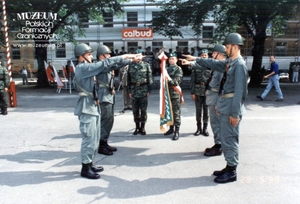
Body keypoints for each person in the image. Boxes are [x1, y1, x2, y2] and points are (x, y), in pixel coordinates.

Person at [180, 33, 248, 184]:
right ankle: (229, 165)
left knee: (230, 139)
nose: (226, 49)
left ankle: (232, 171)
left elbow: (240, 92)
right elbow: (214, 63)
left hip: (232, 108)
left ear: (235, 47)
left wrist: (234, 114)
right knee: (225, 137)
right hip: (226, 105)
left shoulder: (239, 65)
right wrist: (196, 59)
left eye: (228, 47)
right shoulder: (231, 62)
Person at [73, 43, 141, 179]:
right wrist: (125, 55)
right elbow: (105, 64)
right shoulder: (82, 68)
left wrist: (130, 60)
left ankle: (90, 163)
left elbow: (109, 65)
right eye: (88, 54)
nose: (91, 57)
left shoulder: (88, 68)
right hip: (87, 107)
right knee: (89, 138)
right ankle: (85, 167)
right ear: (81, 56)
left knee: (95, 136)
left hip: (92, 105)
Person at [96, 45, 130, 156]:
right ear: (102, 55)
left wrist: (131, 60)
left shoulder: (107, 65)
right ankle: (101, 145)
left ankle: (104, 142)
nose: (110, 56)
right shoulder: (101, 66)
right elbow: (113, 64)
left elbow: (117, 64)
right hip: (104, 96)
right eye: (108, 54)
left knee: (109, 120)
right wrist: (129, 59)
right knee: (105, 120)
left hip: (109, 95)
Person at [204, 44, 226, 157]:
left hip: (216, 98)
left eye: (214, 53)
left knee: (216, 122)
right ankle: (218, 143)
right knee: (215, 122)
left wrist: (219, 102)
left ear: (220, 54)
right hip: (213, 95)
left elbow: (223, 86)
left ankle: (219, 146)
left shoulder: (222, 68)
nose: (212, 55)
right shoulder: (218, 66)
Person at [127, 55, 153, 135]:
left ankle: (142, 128)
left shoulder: (146, 65)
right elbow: (128, 80)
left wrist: (149, 90)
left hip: (143, 89)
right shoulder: (130, 66)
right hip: (134, 90)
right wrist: (129, 91)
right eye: (136, 56)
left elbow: (150, 78)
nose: (137, 58)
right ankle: (137, 127)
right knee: (135, 110)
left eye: (139, 56)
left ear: (142, 57)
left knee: (143, 110)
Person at [190, 49, 211, 137]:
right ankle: (198, 128)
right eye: (202, 55)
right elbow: (192, 80)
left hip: (207, 92)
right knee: (198, 111)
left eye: (205, 55)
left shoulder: (211, 67)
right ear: (200, 57)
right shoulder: (195, 66)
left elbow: (213, 80)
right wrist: (193, 92)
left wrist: (210, 90)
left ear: (208, 57)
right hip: (198, 91)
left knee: (206, 111)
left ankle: (205, 128)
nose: (204, 56)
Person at [163, 53, 183, 140]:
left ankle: (177, 131)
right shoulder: (166, 69)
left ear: (176, 60)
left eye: (173, 59)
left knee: (176, 113)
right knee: (169, 112)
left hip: (175, 93)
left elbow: (176, 82)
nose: (171, 60)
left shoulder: (178, 69)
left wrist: (167, 80)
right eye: (170, 59)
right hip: (167, 93)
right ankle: (171, 129)